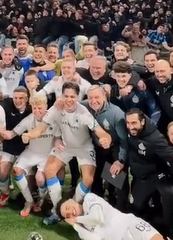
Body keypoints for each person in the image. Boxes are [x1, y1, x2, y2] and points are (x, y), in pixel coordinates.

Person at [21, 81, 112, 225]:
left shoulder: (83, 112)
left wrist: (105, 139)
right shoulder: (56, 108)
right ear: (61, 96)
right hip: (65, 145)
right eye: (66, 96)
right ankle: (58, 210)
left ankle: (73, 207)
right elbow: (41, 128)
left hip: (84, 147)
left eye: (72, 97)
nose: (69, 100)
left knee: (88, 180)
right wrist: (29, 135)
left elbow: (100, 131)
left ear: (77, 97)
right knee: (49, 170)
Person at [125, 108, 173, 236]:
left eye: (134, 123)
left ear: (142, 122)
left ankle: (170, 230)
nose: (131, 126)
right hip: (139, 176)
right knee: (136, 210)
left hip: (155, 174)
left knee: (168, 195)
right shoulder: (130, 131)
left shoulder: (155, 137)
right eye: (128, 123)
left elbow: (167, 150)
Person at [59, 192, 165, 240]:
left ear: (71, 200)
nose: (71, 213)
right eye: (68, 215)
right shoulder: (82, 229)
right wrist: (76, 226)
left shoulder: (89, 199)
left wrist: (77, 219)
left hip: (129, 225)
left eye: (68, 208)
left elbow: (97, 218)